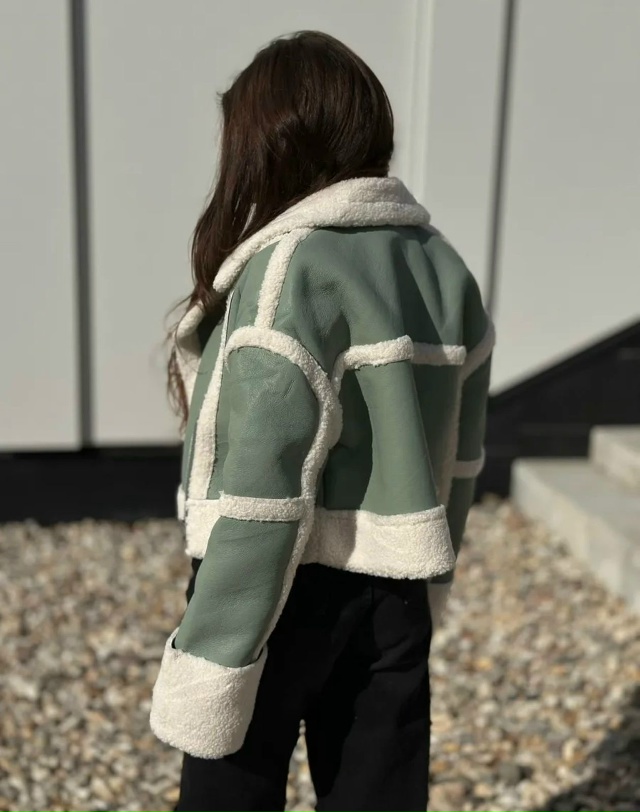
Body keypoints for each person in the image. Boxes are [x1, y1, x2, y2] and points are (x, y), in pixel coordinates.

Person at [149, 29, 494, 812]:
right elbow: (460, 458)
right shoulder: (443, 269)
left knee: (229, 793)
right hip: (395, 595)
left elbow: (262, 498)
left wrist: (213, 659)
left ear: (269, 145)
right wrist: (428, 586)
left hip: (276, 594)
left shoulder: (289, 272)